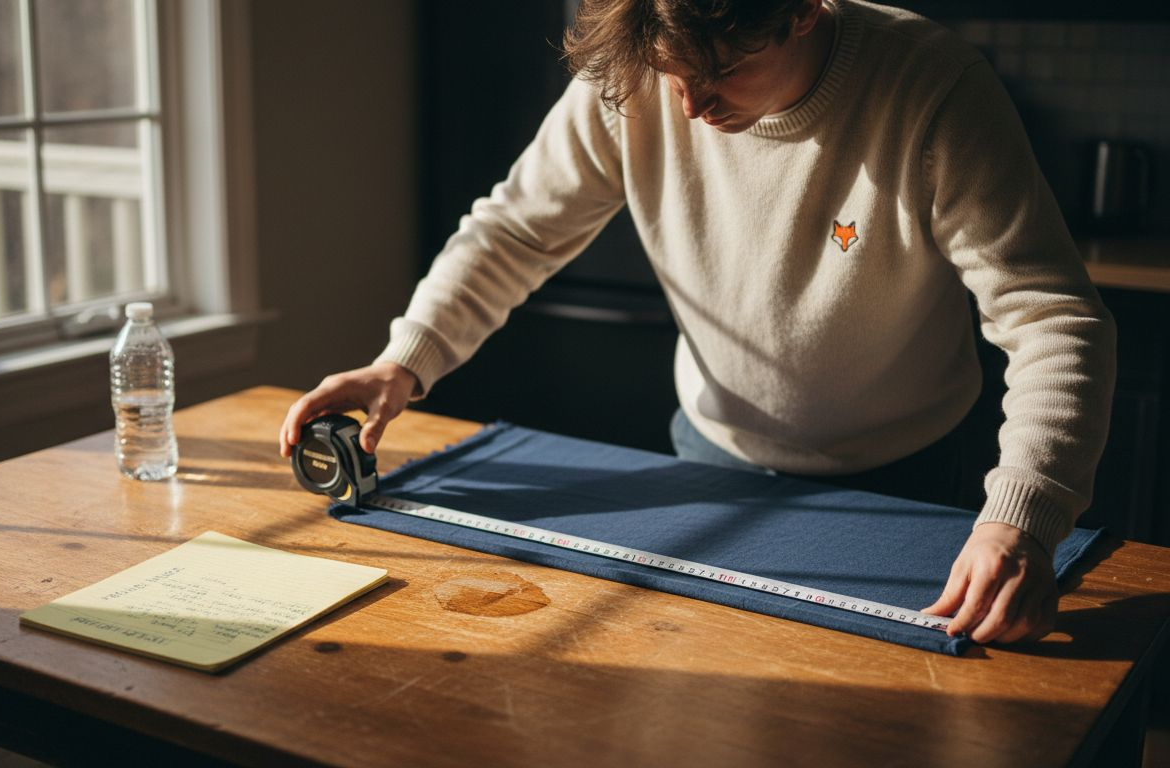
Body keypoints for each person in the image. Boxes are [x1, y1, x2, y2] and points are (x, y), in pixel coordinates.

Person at [280, 0, 1116, 645]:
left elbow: (1054, 321)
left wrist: (1022, 516)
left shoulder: (934, 88)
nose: (686, 108)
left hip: (913, 481)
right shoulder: (644, 72)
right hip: (711, 459)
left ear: (803, 10)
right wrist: (404, 360)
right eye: (670, 75)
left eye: (719, 73)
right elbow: (516, 231)